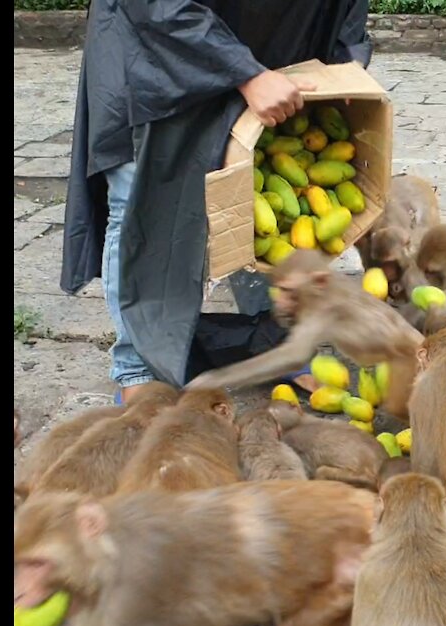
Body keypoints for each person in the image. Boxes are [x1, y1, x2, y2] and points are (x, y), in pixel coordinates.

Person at [60, 0, 371, 402]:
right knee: (142, 205)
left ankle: (277, 347)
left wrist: (346, 61)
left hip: (268, 52)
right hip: (154, 58)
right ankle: (138, 367)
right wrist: (245, 72)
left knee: (263, 200)